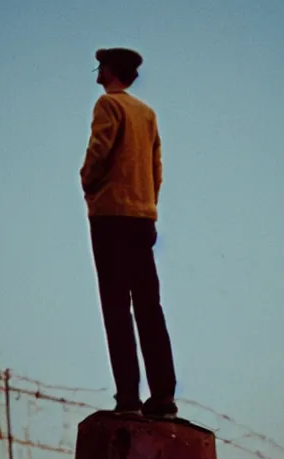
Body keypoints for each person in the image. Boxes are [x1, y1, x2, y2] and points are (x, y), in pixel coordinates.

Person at [79, 48, 178, 418]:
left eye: (100, 66)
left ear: (109, 71)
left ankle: (128, 398)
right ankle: (164, 396)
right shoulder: (147, 113)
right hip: (142, 216)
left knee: (116, 308)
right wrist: (147, 203)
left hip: (110, 216)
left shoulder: (108, 106)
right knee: (149, 307)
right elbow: (157, 168)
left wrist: (88, 184)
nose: (97, 72)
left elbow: (98, 151)